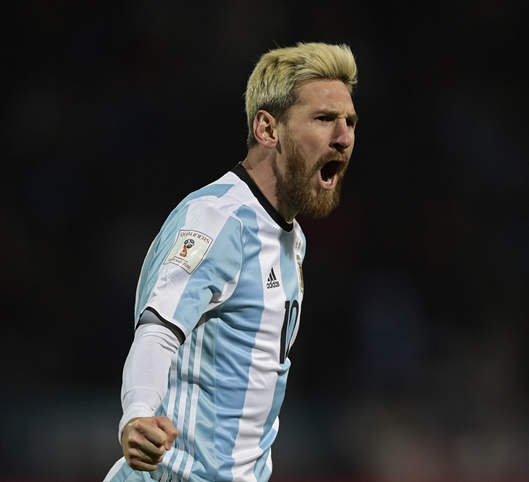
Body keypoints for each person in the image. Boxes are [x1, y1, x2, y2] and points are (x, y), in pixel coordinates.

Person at [103, 42, 359, 482]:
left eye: (350, 121)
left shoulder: (290, 236)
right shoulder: (218, 220)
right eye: (323, 119)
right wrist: (138, 414)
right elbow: (157, 332)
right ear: (267, 129)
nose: (344, 137)